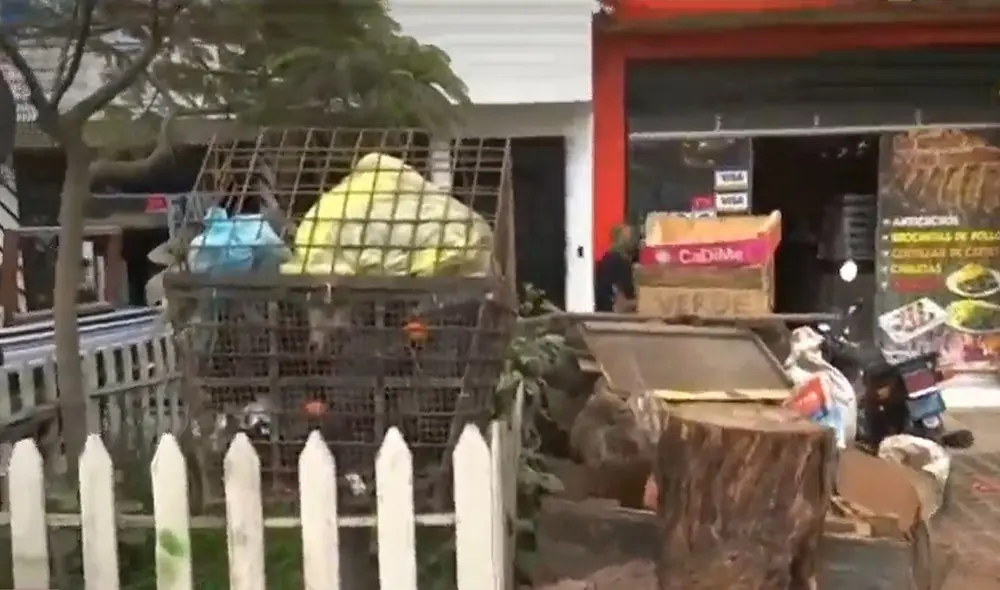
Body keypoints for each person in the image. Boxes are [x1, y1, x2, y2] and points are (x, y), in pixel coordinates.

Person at [594, 224, 639, 312]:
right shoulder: (620, 261)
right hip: (614, 309)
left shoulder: (607, 257)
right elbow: (626, 290)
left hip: (604, 306)